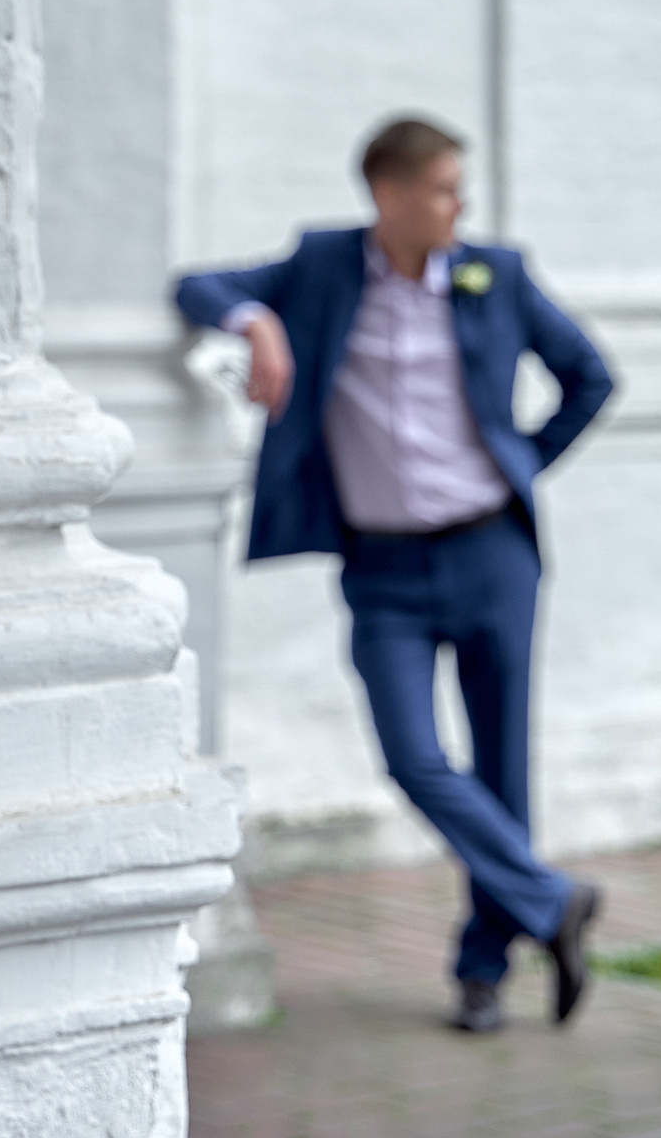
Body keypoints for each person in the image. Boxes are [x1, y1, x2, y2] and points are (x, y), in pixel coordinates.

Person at [174, 118, 613, 1034]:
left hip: (493, 554)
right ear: (389, 193)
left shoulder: (497, 274)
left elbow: (589, 376)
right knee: (414, 757)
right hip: (382, 567)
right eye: (443, 188)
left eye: (459, 187)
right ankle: (554, 902)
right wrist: (258, 323)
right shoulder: (323, 267)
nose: (459, 205)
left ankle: (484, 972)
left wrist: (520, 465)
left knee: (502, 768)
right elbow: (195, 286)